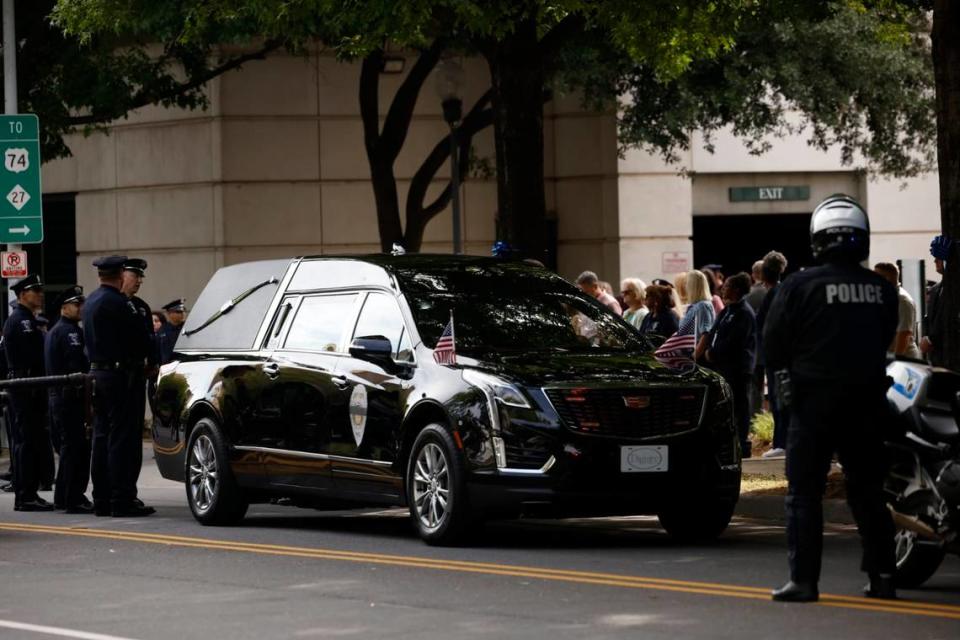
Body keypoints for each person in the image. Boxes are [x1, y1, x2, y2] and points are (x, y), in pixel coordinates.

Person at [765, 194, 898, 602]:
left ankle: (804, 580)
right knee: (869, 492)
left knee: (804, 491)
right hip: (866, 403)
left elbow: (773, 343)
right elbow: (884, 339)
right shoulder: (882, 288)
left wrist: (785, 388)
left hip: (813, 403)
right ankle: (883, 578)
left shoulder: (799, 285)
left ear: (818, 238)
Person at [83, 255, 155, 517]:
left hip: (98, 374)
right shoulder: (120, 303)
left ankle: (101, 497)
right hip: (120, 376)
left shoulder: (90, 301)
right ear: (120, 273)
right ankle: (120, 499)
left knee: (102, 437)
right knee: (121, 440)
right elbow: (141, 339)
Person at [3, 274, 53, 511]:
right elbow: (28, 358)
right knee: (26, 442)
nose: (40, 294)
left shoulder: (27, 320)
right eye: (36, 290)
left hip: (30, 386)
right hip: (25, 388)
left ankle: (29, 492)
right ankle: (25, 496)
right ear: (23, 294)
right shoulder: (20, 321)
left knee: (31, 442)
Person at [45, 286, 93, 513]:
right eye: (77, 304)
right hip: (69, 397)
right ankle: (73, 497)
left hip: (62, 397)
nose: (81, 308)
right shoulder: (68, 332)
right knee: (75, 448)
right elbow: (77, 366)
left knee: (70, 448)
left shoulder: (61, 330)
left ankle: (64, 496)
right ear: (64, 308)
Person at [701, 273, 757, 458]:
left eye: (727, 286)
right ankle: (728, 444)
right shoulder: (727, 311)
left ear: (737, 290)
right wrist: (709, 348)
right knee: (727, 408)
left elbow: (735, 341)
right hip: (723, 367)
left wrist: (714, 353)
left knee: (740, 408)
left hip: (738, 369)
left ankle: (742, 445)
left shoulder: (744, 312)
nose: (723, 289)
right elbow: (713, 332)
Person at [122, 258, 157, 492]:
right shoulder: (112, 303)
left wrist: (152, 363)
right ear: (122, 275)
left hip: (136, 375)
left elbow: (149, 340)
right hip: (117, 374)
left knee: (133, 434)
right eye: (135, 276)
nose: (140, 281)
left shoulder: (141, 306)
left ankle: (129, 490)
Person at [758, 250, 789, 459]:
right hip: (782, 354)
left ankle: (781, 443)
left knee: (779, 399)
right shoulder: (784, 291)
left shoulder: (773, 294)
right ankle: (782, 442)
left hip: (776, 355)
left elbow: (763, 324)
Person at [873, 262, 921, 359]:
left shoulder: (902, 300)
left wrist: (895, 361)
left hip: (904, 359)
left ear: (886, 279)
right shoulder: (887, 297)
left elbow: (904, 334)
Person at [920, 235, 951, 366]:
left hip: (949, 352)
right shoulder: (935, 289)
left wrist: (932, 340)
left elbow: (948, 317)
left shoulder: (954, 289)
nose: (935, 261)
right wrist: (926, 337)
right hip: (935, 357)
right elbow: (929, 318)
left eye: (938, 258)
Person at [679, 270, 715, 346]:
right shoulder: (694, 306)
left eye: (686, 283)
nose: (685, 286)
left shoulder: (703, 306)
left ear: (693, 285)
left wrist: (695, 355)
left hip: (696, 355)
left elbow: (705, 335)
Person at [158, 298, 188, 364]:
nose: (183, 314)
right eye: (178, 312)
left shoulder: (188, 328)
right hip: (166, 365)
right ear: (169, 313)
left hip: (184, 364)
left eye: (184, 311)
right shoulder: (163, 329)